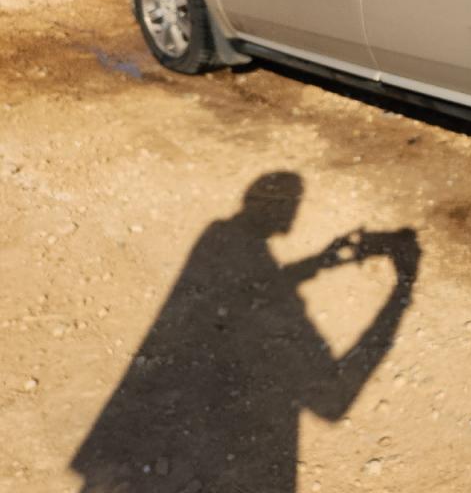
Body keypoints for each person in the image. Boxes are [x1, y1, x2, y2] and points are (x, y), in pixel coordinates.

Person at [71, 171, 420, 493]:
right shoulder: (233, 245)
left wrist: (319, 262)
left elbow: (251, 286)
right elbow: (331, 402)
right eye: (287, 204)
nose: (291, 212)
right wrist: (403, 288)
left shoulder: (221, 237)